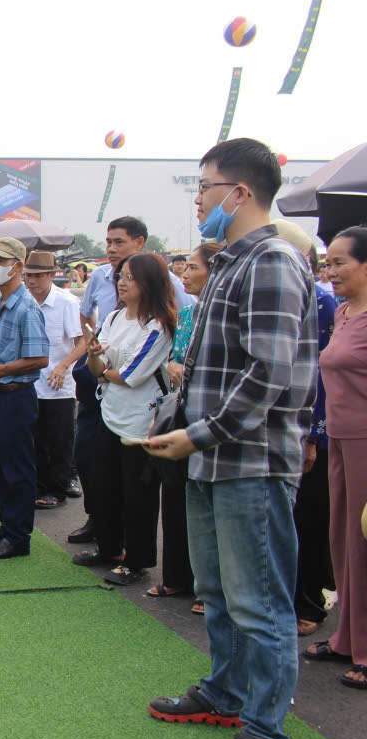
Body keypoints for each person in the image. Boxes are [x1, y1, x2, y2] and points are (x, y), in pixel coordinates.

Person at [147, 138, 317, 739]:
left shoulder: (271, 259)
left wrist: (202, 432)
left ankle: (267, 729)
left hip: (248, 460)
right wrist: (184, 422)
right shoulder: (230, 263)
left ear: (240, 193)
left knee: (260, 602)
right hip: (212, 456)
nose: (198, 200)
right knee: (218, 592)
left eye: (205, 187)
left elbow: (268, 373)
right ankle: (224, 692)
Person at [75, 254, 176, 586]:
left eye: (130, 277)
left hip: (140, 419)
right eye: (120, 276)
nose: (122, 282)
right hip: (110, 410)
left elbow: (131, 374)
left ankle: (136, 560)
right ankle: (109, 549)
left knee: (138, 493)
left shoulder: (158, 326)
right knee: (104, 484)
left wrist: (102, 369)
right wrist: (95, 360)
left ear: (148, 283)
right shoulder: (115, 317)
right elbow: (98, 368)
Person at [304, 226, 367, 690]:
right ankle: (348, 637)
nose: (330, 270)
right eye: (328, 262)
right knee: (342, 539)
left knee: (364, 541)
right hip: (339, 443)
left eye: (339, 262)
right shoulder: (344, 312)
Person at [272, 221, 338, 637]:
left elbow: (320, 374)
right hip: (278, 428)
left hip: (316, 431)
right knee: (283, 523)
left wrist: (313, 434)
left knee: (309, 521)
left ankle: (310, 602)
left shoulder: (323, 304)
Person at [0, 238, 48, 559]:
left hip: (16, 397)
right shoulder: (6, 303)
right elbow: (8, 353)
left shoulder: (26, 307)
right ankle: (9, 525)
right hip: (2, 395)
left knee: (17, 469)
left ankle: (18, 537)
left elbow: (39, 359)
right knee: (2, 467)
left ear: (17, 265)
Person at [154, 243, 220, 611]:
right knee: (179, 499)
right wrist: (174, 368)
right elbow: (174, 359)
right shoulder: (190, 313)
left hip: (212, 422)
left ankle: (208, 590)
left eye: (193, 267)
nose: (185, 274)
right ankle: (180, 578)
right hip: (183, 414)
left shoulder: (224, 312)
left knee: (212, 510)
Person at [23, 251, 84, 510]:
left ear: (51, 275)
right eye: (28, 276)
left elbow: (82, 343)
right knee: (34, 439)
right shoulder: (23, 301)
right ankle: (38, 486)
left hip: (58, 385)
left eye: (37, 276)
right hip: (30, 382)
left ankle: (57, 488)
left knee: (59, 439)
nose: (32, 281)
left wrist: (62, 366)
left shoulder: (67, 302)